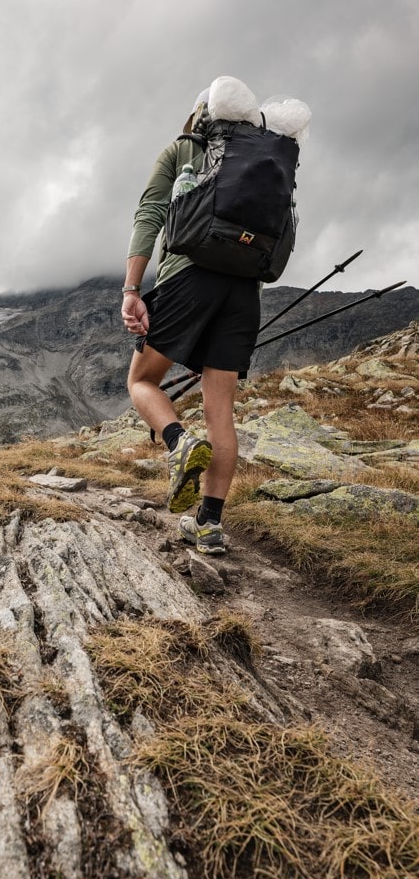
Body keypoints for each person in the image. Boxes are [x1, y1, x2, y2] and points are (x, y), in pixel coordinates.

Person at [121, 87, 262, 556]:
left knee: (142, 381)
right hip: (244, 294)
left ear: (200, 115)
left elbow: (150, 214)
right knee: (220, 410)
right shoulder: (263, 164)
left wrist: (132, 289)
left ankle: (178, 441)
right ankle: (209, 525)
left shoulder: (184, 149)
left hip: (188, 280)